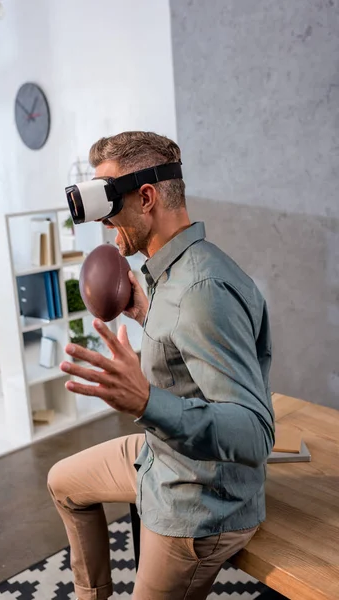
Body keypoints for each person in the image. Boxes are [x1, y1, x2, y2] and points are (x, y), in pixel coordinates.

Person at [48, 131, 275, 600]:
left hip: (199, 496)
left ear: (146, 197)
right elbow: (193, 352)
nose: (108, 228)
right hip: (161, 456)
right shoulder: (171, 276)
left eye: (111, 211)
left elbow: (256, 434)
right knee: (62, 482)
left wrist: (146, 400)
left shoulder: (202, 292)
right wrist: (145, 315)